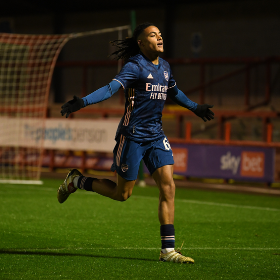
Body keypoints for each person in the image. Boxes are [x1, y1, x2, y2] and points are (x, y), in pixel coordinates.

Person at [58, 22, 214, 264]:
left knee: (168, 187)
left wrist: (196, 107)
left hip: (156, 135)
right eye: (153, 35)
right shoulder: (135, 67)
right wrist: (83, 102)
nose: (159, 37)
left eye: (160, 34)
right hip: (132, 136)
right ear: (141, 43)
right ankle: (77, 180)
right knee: (122, 194)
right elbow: (111, 88)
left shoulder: (165, 67)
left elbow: (174, 92)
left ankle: (168, 251)